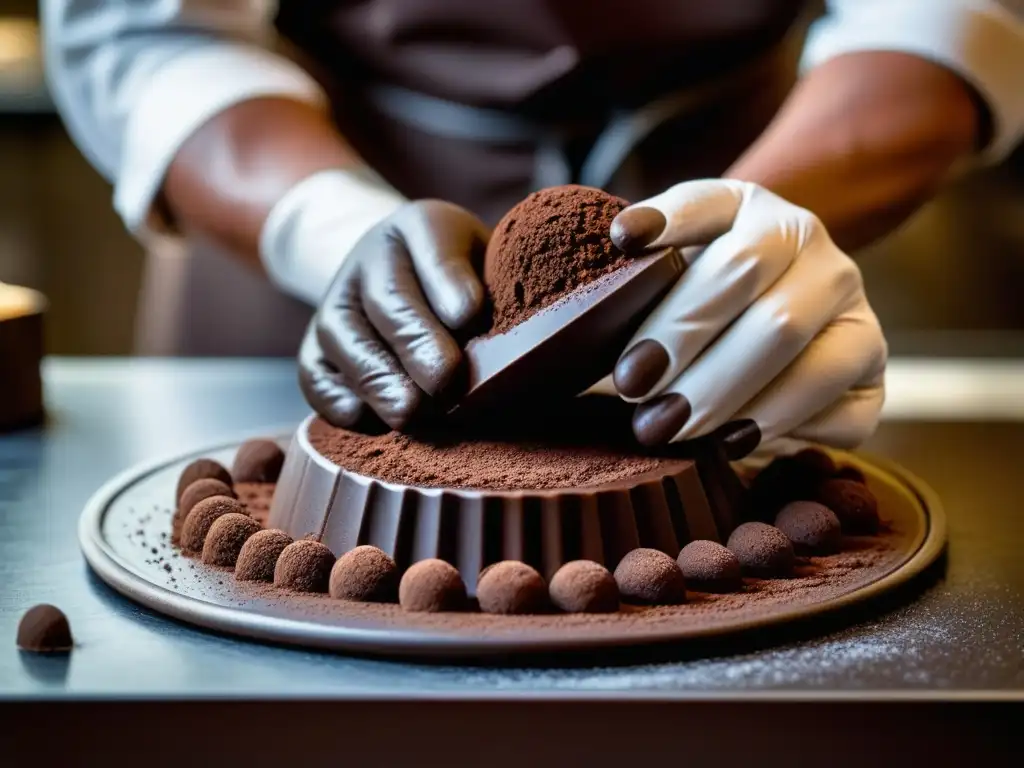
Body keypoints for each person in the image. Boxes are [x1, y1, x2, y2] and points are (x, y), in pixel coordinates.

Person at [43, 0, 1024, 450]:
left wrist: (746, 235)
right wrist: (334, 227)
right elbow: (146, 28)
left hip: (767, 163)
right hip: (313, 228)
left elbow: (942, 18)